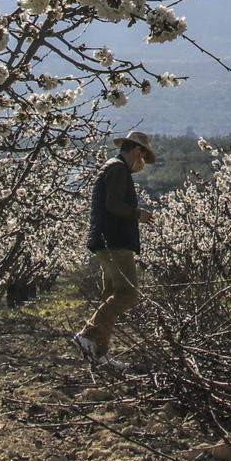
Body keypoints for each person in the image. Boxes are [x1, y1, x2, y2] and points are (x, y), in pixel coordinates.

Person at [73, 130, 155, 361]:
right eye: (142, 157)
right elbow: (113, 204)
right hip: (116, 241)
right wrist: (137, 214)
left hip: (105, 240)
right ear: (138, 151)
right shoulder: (119, 170)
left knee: (111, 294)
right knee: (128, 294)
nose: (141, 163)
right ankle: (87, 334)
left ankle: (100, 353)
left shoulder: (111, 167)